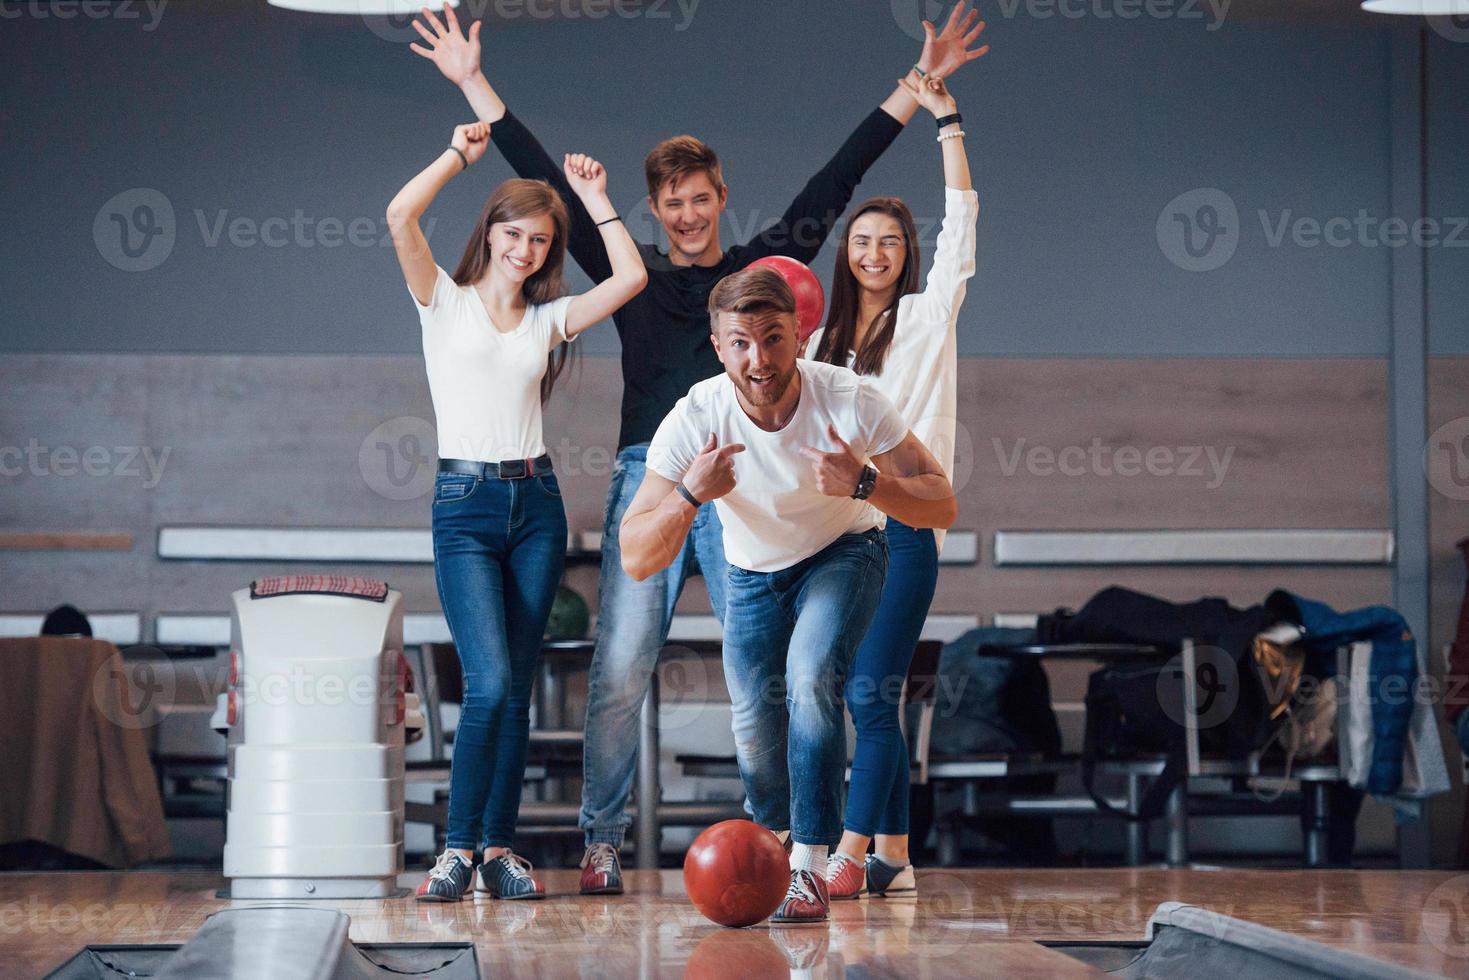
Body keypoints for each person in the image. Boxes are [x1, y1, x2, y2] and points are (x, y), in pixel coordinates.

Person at [408, 2, 989, 895]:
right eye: (670, 201)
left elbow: (833, 185)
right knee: (621, 665)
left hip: (748, 486)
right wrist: (469, 84)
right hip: (654, 471)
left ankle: (776, 835)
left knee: (753, 675)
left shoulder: (752, 278)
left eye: (699, 197)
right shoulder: (630, 276)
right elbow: (540, 181)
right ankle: (601, 841)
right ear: (656, 208)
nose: (685, 212)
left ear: (719, 198)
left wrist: (914, 92)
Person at [621, 266, 957, 923]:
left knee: (809, 678)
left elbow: (940, 500)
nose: (758, 359)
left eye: (773, 339)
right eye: (740, 343)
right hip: (751, 573)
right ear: (718, 347)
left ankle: (807, 863)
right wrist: (690, 494)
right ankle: (775, 835)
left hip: (846, 552)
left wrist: (862, 483)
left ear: (799, 335)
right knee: (752, 722)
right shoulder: (696, 415)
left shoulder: (849, 399)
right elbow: (636, 555)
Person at [387, 121, 647, 901]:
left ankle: (499, 849)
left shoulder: (546, 319)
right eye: (513, 233)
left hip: (535, 504)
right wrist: (457, 157)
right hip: (463, 505)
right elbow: (400, 217)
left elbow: (630, 278)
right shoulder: (442, 300)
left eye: (539, 240)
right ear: (491, 233)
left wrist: (596, 200)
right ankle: (456, 849)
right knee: (491, 684)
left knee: (520, 683)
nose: (525, 250)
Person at [804, 72, 979, 900]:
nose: (875, 253)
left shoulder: (925, 316)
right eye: (862, 241)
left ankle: (846, 852)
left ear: (907, 255)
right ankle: (897, 860)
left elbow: (962, 234)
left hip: (906, 526)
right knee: (865, 699)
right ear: (846, 252)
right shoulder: (823, 339)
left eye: (890, 243)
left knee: (870, 697)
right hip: (841, 536)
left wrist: (946, 122)